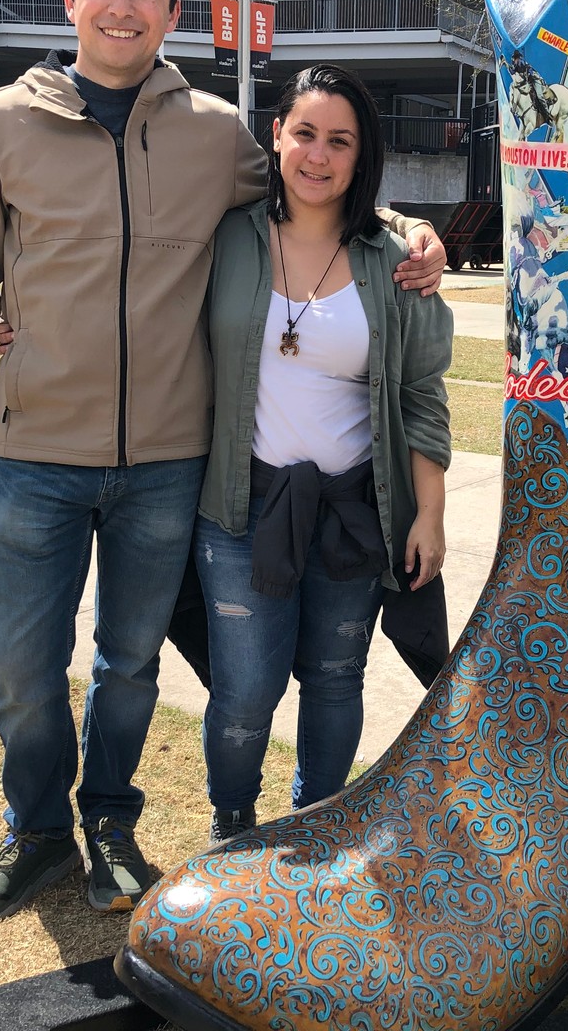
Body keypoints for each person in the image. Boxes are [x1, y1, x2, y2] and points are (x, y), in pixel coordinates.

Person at [0, 0, 445, 924]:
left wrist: (411, 229)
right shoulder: (0, 122)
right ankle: (35, 830)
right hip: (34, 454)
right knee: (23, 668)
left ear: (172, 9)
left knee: (129, 666)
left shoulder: (212, 134)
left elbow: (316, 195)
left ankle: (111, 827)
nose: (124, 4)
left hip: (169, 466)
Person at [192, 65, 453, 842]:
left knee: (336, 679)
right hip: (240, 509)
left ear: (360, 153)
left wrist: (429, 515)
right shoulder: (229, 235)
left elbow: (421, 397)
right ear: (275, 135)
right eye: (304, 132)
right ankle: (232, 828)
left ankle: (316, 824)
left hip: (353, 510)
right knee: (245, 687)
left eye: (340, 140)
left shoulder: (395, 259)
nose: (318, 154)